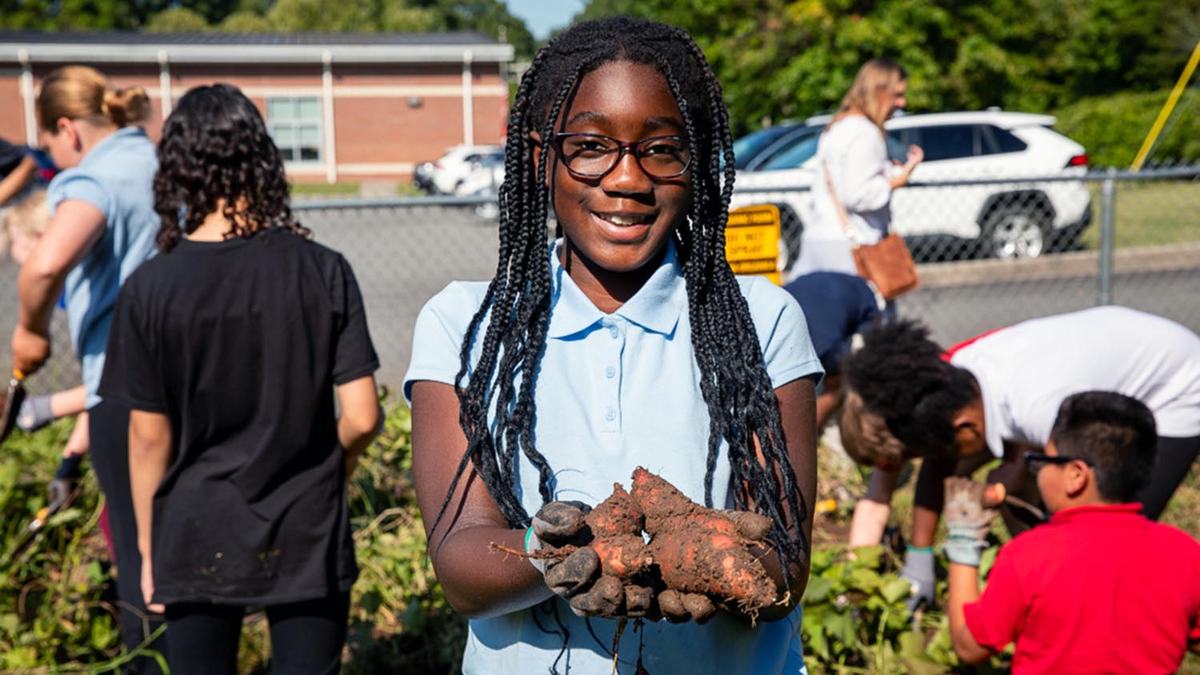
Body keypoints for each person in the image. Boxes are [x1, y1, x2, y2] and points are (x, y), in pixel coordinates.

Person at [404, 17, 823, 674]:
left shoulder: (763, 321)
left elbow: (787, 568)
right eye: (592, 145)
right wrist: (569, 554)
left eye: (661, 148)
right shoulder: (463, 324)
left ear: (697, 160)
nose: (627, 179)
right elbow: (460, 563)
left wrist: (701, 558)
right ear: (542, 156)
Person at [98, 84, 381, 674]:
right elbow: (361, 416)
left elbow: (148, 439)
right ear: (262, 158)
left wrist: (148, 550)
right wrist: (329, 470)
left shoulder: (149, 289)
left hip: (193, 529)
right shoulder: (324, 269)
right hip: (307, 524)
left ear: (175, 167)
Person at [839, 307, 1200, 612]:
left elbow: (1081, 492)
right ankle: (1063, 595)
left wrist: (1014, 495)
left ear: (966, 428)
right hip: (1121, 348)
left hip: (1176, 387)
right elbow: (940, 466)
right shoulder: (954, 385)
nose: (945, 460)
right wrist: (920, 560)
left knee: (1110, 529)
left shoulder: (1038, 408)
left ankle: (1108, 608)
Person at [9, 64, 162, 668]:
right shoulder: (156, 162)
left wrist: (28, 330)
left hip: (125, 397)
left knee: (133, 555)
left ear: (67, 128)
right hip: (181, 383)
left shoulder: (94, 177)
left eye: (49, 144)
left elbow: (44, 264)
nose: (54, 156)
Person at [944, 391, 1200, 671]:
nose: (1038, 472)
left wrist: (963, 539)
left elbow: (970, 647)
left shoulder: (1029, 555)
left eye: (1044, 461)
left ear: (1076, 475)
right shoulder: (1186, 554)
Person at [794, 58, 923, 278]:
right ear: (879, 91)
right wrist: (895, 181)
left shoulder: (837, 127)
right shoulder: (865, 133)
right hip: (851, 247)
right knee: (866, 311)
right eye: (897, 95)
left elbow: (845, 180)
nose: (902, 103)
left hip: (821, 238)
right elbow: (858, 195)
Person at [2, 189, 89, 454]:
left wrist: (44, 407)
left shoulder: (85, 291)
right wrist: (70, 458)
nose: (16, 256)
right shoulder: (75, 289)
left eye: (17, 242)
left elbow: (116, 382)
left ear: (42, 238)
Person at [782, 271, 883, 428]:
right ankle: (805, 433)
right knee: (836, 386)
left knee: (836, 385)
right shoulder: (873, 306)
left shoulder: (852, 283)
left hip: (789, 304)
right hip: (822, 312)